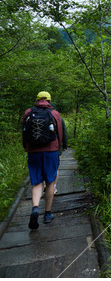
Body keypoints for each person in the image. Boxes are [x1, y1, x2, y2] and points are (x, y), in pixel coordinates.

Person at [22, 91, 66, 229]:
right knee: (50, 182)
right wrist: (58, 149)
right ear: (49, 100)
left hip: (33, 151)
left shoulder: (28, 112)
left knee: (37, 182)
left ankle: (35, 208)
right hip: (51, 152)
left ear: (37, 100)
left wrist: (27, 147)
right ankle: (47, 213)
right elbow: (59, 134)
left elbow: (24, 132)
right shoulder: (54, 114)